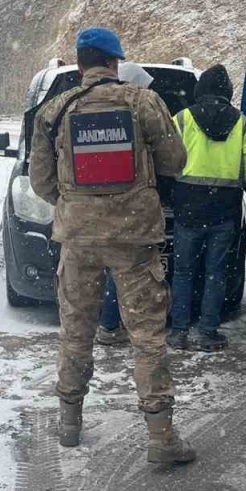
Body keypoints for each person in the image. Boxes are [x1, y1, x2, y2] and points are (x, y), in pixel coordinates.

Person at [29, 27, 195, 465]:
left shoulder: (54, 110)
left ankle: (69, 424)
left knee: (76, 333)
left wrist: (78, 206)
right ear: (115, 62)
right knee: (147, 338)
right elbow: (175, 162)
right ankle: (161, 438)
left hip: (78, 240)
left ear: (81, 63)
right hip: (135, 237)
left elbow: (41, 181)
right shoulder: (143, 102)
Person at [167, 65, 246, 352]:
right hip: (224, 209)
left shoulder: (181, 119)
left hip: (188, 207)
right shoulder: (243, 124)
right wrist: (232, 179)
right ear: (227, 93)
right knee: (215, 273)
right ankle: (208, 332)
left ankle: (179, 331)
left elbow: (167, 158)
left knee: (182, 271)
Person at [95, 62, 157, 349]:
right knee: (129, 273)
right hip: (129, 210)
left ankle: (110, 324)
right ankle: (117, 326)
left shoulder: (97, 113)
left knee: (114, 270)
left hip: (103, 211)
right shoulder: (134, 117)